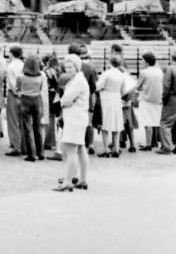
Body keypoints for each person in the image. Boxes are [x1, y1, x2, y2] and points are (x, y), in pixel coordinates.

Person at [54, 54, 90, 192]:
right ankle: (82, 179)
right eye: (66, 67)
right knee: (80, 149)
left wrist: (64, 101)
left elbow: (65, 100)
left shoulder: (78, 81)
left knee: (71, 150)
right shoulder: (77, 79)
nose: (67, 69)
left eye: (70, 67)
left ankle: (68, 181)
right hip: (77, 117)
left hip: (75, 118)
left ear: (77, 67)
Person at [68, 43, 98, 154]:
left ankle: (75, 143)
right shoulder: (89, 67)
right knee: (88, 122)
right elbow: (94, 86)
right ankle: (90, 143)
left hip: (72, 97)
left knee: (72, 121)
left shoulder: (66, 66)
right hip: (87, 97)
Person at [16, 55, 46, 162]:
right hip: (37, 99)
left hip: (25, 100)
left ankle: (31, 154)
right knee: (37, 127)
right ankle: (40, 152)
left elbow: (17, 90)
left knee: (27, 128)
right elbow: (42, 88)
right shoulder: (41, 76)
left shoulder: (21, 77)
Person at [96, 55, 126, 158]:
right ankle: (116, 148)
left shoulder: (106, 74)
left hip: (106, 98)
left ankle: (106, 148)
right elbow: (123, 90)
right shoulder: (122, 75)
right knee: (116, 123)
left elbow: (98, 86)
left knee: (105, 123)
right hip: (116, 98)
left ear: (110, 62)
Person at [134, 51, 163, 151]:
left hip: (146, 99)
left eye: (142, 60)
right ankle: (159, 142)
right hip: (158, 100)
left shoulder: (144, 72)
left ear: (146, 61)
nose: (142, 62)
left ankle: (148, 144)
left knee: (147, 122)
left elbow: (137, 86)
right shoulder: (160, 71)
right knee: (157, 122)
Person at [5, 46, 24, 156]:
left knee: (13, 121)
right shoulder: (23, 64)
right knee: (21, 121)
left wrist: (17, 93)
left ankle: (16, 146)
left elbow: (12, 83)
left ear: (11, 54)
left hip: (14, 94)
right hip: (24, 94)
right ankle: (22, 144)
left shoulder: (11, 66)